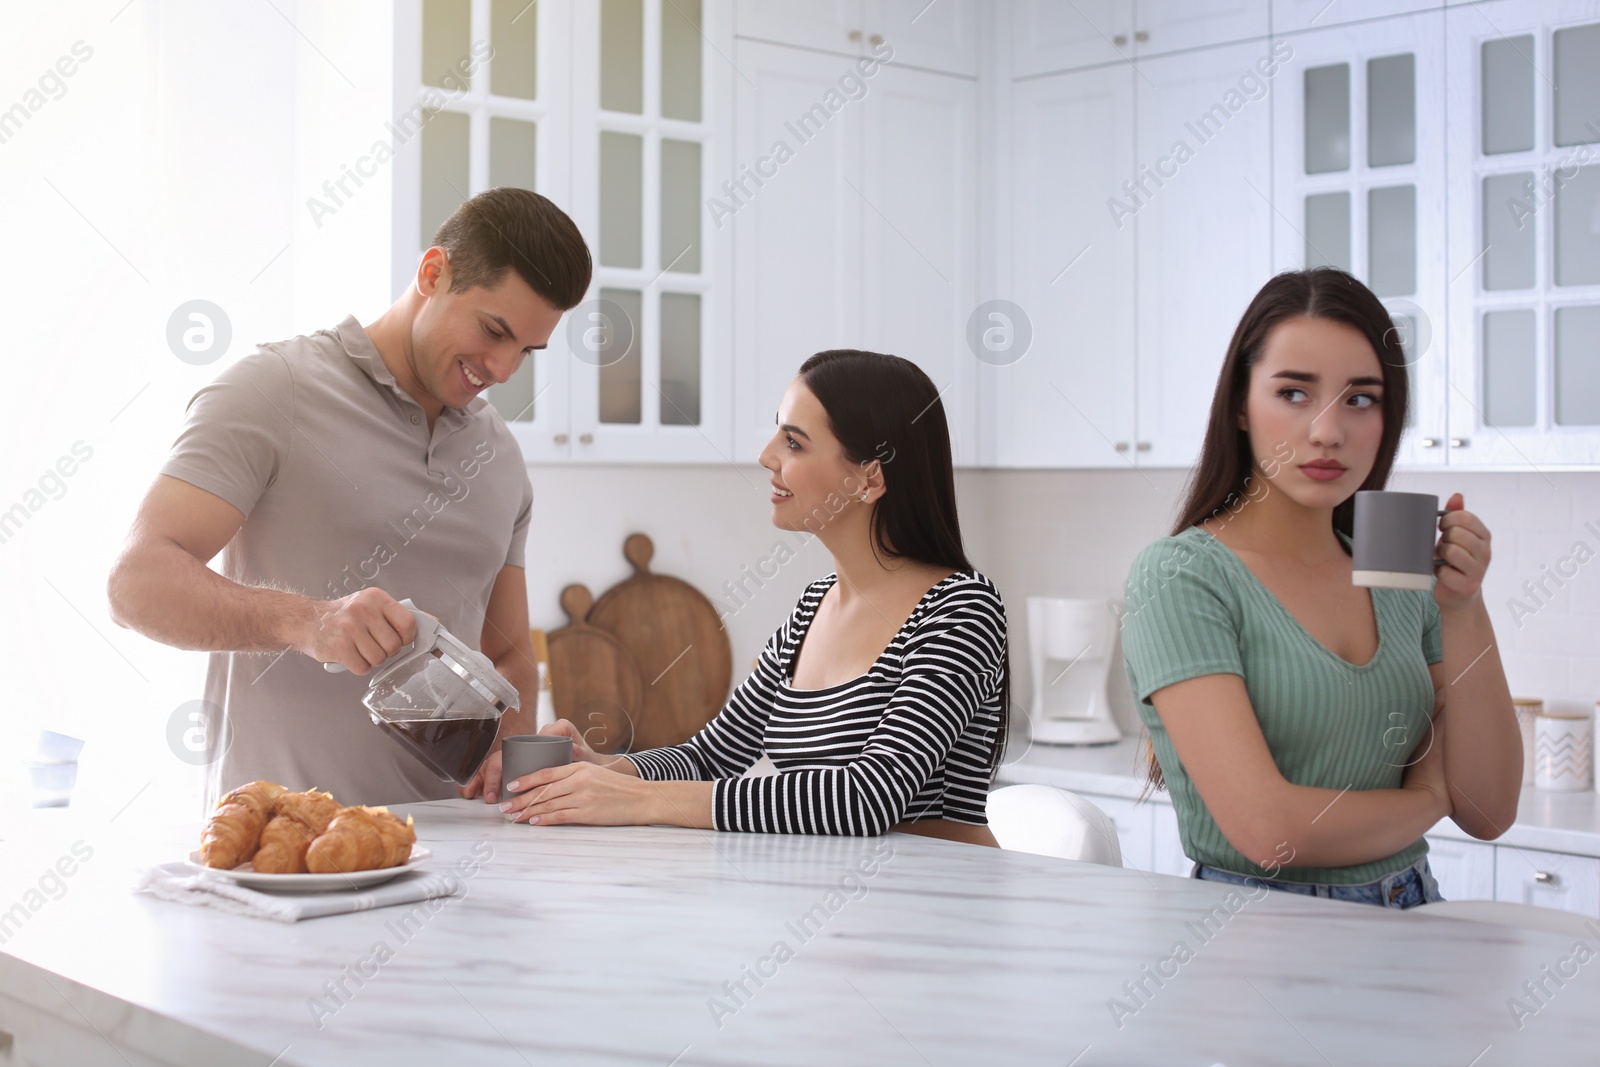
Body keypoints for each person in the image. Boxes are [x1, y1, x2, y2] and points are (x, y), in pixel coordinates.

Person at [107, 188, 592, 806]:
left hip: (453, 867)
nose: (502, 369)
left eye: (526, 349)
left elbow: (509, 656)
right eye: (493, 331)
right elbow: (134, 584)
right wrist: (308, 622)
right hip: (280, 858)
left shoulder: (500, 457)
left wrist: (506, 749)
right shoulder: (275, 390)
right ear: (432, 272)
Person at [1120, 268, 1520, 907]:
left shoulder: (1400, 577)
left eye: (1361, 398)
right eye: (1294, 393)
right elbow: (1269, 831)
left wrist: (1465, 611)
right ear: (1239, 407)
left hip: (1413, 916)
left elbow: (1490, 809)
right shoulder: (1180, 576)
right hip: (1257, 933)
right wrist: (1428, 795)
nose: (1328, 431)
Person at [494, 350, 1009, 843]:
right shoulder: (813, 607)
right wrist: (606, 768)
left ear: (869, 477)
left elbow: (867, 797)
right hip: (837, 911)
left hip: (940, 908)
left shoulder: (960, 610)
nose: (766, 456)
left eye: (795, 443)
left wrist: (641, 799)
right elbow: (711, 756)